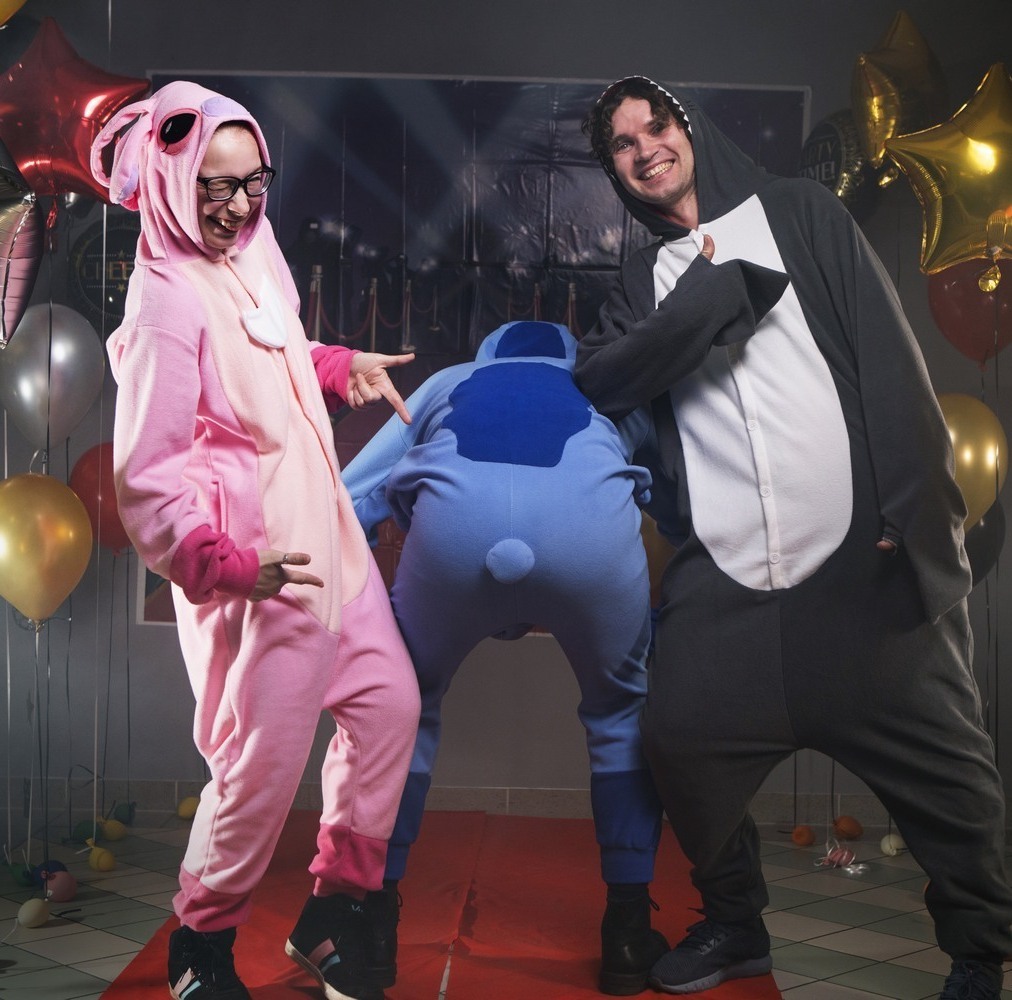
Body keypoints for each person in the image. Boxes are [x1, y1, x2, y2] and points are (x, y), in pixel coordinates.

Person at [575, 75, 1012, 999]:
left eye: (656, 126)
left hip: (861, 564)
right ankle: (736, 924)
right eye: (622, 144)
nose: (646, 149)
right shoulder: (641, 280)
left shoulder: (801, 213)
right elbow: (603, 381)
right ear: (613, 169)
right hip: (728, 575)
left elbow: (892, 361)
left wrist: (913, 514)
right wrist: (710, 298)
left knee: (950, 772)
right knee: (678, 738)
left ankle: (981, 953)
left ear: (688, 127)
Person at [90, 81, 421, 1000]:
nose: (240, 206)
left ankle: (331, 914)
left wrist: (337, 365)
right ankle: (199, 950)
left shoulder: (253, 246)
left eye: (254, 182)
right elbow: (146, 480)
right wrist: (230, 568)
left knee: (388, 708)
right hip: (262, 570)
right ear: (172, 179)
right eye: (218, 186)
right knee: (258, 773)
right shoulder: (161, 302)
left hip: (330, 544)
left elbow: (271, 356)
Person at [341, 319, 668, 995]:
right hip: (590, 549)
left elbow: (352, 491)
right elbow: (671, 492)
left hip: (451, 542)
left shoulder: (448, 382)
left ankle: (371, 929)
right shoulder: (605, 388)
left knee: (405, 709)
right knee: (620, 713)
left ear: (486, 354)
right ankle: (628, 933)